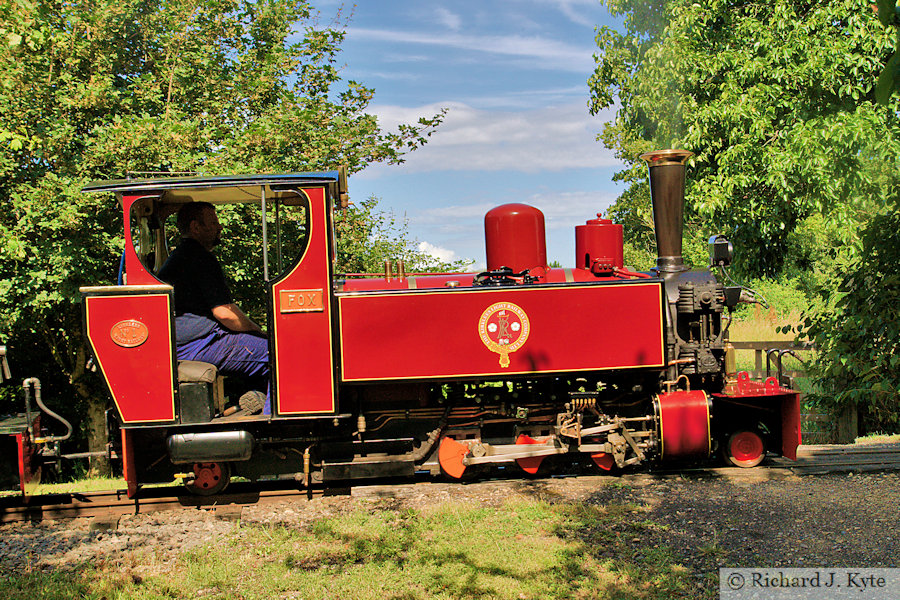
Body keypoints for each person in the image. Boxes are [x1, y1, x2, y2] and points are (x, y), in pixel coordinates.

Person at [158, 202, 270, 415]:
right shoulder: (199, 258)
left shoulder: (181, 256)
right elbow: (225, 313)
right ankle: (272, 422)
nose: (220, 227)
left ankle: (254, 399)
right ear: (195, 227)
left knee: (258, 346)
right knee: (275, 353)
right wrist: (258, 330)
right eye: (214, 222)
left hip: (188, 341)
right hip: (197, 344)